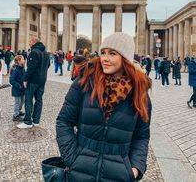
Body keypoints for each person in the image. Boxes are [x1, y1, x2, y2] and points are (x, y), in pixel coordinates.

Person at [56, 32, 152, 182]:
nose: (105, 58)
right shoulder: (84, 83)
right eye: (103, 52)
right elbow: (63, 121)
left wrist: (134, 169)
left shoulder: (139, 92)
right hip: (80, 172)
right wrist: (72, 158)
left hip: (119, 175)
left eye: (112, 53)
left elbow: (142, 136)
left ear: (125, 58)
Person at [17, 37, 50, 129]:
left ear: (34, 42)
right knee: (39, 100)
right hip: (42, 80)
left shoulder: (34, 52)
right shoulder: (46, 53)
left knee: (29, 100)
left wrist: (25, 79)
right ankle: (36, 121)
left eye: (30, 41)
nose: (29, 43)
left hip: (33, 80)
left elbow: (31, 68)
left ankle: (27, 121)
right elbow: (48, 65)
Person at [9, 55, 25, 122]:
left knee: (22, 101)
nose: (24, 60)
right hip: (17, 89)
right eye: (22, 59)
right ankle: (15, 115)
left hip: (23, 88)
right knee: (17, 102)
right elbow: (11, 80)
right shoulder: (15, 69)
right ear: (18, 61)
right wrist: (18, 85)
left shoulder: (23, 68)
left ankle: (18, 111)